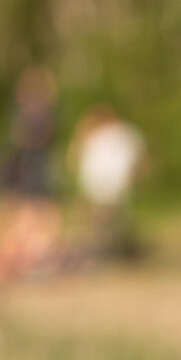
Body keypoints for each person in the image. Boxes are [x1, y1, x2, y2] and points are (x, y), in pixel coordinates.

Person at [0, 67, 62, 282]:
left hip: (32, 173)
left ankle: (22, 260)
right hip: (26, 173)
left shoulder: (38, 114)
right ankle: (14, 260)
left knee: (32, 218)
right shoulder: (28, 115)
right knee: (24, 218)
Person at [70, 106, 146, 262]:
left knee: (104, 221)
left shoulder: (113, 135)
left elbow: (77, 156)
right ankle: (109, 249)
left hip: (105, 185)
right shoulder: (122, 133)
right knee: (104, 221)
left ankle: (109, 250)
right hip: (107, 185)